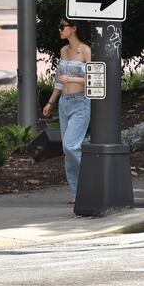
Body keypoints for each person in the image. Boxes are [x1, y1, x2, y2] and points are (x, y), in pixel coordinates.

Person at [42, 17, 91, 203]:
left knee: (71, 146)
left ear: (73, 28)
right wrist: (50, 103)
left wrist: (72, 80)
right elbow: (58, 82)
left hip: (81, 102)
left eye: (62, 27)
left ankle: (91, 178)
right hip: (64, 103)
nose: (59, 30)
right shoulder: (63, 51)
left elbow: (94, 80)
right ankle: (76, 192)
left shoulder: (86, 51)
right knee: (67, 148)